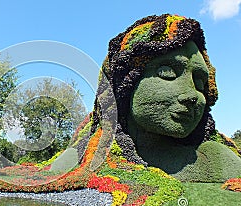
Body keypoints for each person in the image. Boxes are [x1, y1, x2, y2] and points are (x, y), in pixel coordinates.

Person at [98, 14, 241, 181]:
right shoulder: (84, 157)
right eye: (167, 73)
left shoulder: (216, 160)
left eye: (200, 84)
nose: (192, 94)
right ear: (125, 84)